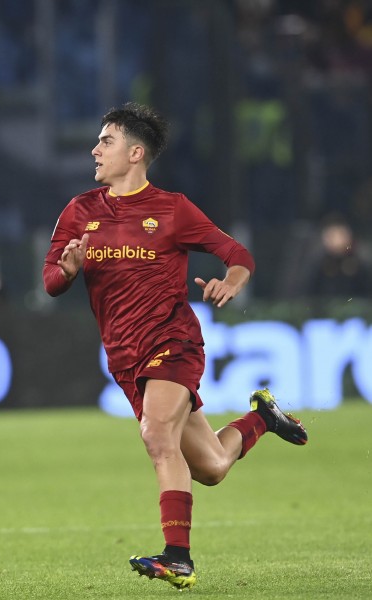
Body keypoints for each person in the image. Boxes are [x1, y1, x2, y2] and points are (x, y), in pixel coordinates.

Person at [42, 103, 308, 590]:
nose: (95, 149)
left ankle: (178, 557)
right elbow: (51, 282)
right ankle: (262, 419)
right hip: (124, 357)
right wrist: (69, 270)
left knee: (156, 437)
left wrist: (231, 280)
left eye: (106, 141)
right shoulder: (79, 211)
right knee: (210, 467)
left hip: (173, 340)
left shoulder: (172, 209)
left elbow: (237, 253)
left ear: (135, 153)